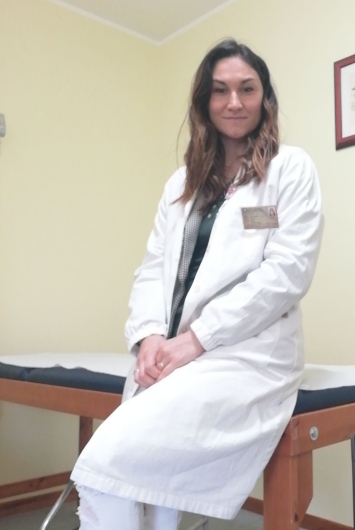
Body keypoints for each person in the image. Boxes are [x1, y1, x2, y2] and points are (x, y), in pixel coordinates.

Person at [71, 38, 323, 530]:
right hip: (174, 349)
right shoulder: (181, 183)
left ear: (265, 97)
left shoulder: (289, 169)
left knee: (106, 465)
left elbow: (287, 272)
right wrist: (149, 337)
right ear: (204, 101)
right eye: (220, 90)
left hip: (248, 352)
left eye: (247, 89)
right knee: (149, 477)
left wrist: (198, 339)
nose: (234, 102)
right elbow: (153, 267)